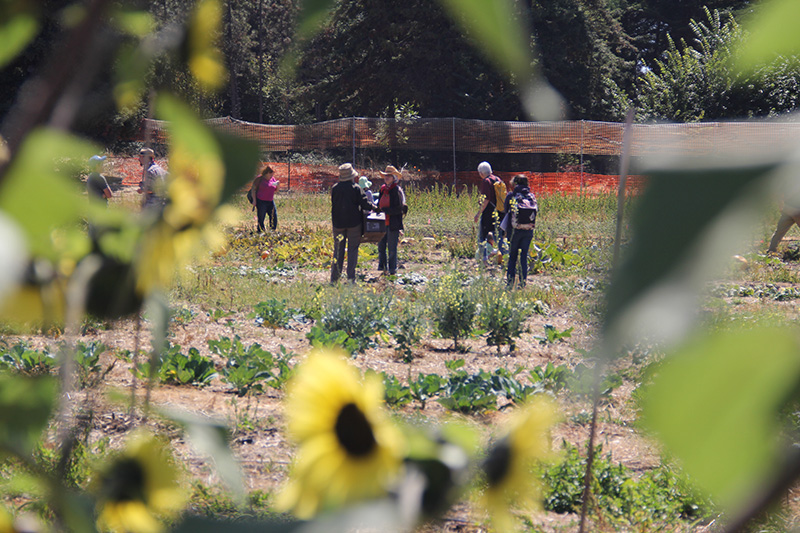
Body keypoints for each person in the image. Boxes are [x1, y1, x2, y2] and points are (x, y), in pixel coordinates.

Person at [331, 163, 374, 283]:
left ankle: (334, 279)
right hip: (354, 224)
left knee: (338, 251)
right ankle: (350, 278)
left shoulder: (335, 188)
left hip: (338, 224)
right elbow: (365, 204)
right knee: (352, 251)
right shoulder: (356, 188)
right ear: (352, 176)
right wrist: (375, 207)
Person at [504, 174, 538, 289]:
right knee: (523, 256)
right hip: (528, 230)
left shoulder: (511, 195)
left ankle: (510, 283)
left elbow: (506, 212)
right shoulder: (531, 196)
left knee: (512, 256)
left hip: (514, 231)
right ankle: (522, 283)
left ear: (515, 183)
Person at [375, 165, 405, 276]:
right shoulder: (383, 189)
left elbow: (399, 209)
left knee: (392, 248)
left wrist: (386, 210)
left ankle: (392, 270)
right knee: (381, 246)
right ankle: (382, 268)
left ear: (393, 178)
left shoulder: (396, 190)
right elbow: (379, 204)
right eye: (385, 176)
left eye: (389, 176)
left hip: (393, 223)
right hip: (382, 222)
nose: (386, 178)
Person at [473, 161, 505, 265]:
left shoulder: (486, 181)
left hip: (488, 214)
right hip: (499, 213)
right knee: (498, 237)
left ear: (481, 173)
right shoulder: (498, 179)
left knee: (482, 237)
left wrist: (478, 214)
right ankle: (507, 256)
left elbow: (486, 200)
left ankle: (484, 260)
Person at [250, 165, 279, 232]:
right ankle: (260, 231)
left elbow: (276, 190)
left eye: (272, 175)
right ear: (266, 173)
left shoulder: (272, 179)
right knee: (261, 217)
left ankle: (272, 231)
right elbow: (253, 190)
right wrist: (254, 200)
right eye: (270, 174)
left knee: (274, 216)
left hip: (270, 201)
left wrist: (278, 185)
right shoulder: (259, 179)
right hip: (261, 201)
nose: (271, 176)